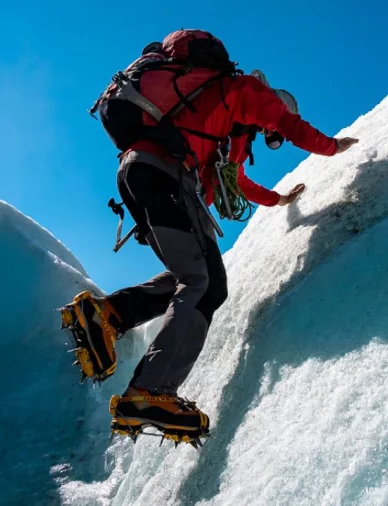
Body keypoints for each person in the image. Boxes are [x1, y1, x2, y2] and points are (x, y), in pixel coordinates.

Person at [60, 29, 358, 446]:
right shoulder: (243, 90)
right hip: (163, 176)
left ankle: (108, 315)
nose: (265, 134)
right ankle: (150, 391)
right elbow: (288, 124)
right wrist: (331, 147)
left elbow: (240, 183)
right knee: (204, 283)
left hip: (140, 172)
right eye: (266, 131)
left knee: (194, 278)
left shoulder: (221, 129)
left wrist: (278, 200)